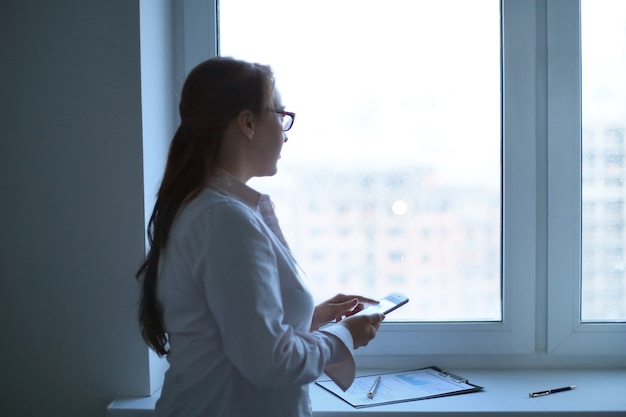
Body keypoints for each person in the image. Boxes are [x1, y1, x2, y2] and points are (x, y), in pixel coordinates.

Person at [136, 56, 385, 417]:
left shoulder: (206, 208)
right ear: (248, 123)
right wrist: (346, 336)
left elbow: (228, 330)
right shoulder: (225, 220)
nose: (285, 131)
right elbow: (272, 364)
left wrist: (308, 319)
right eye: (280, 114)